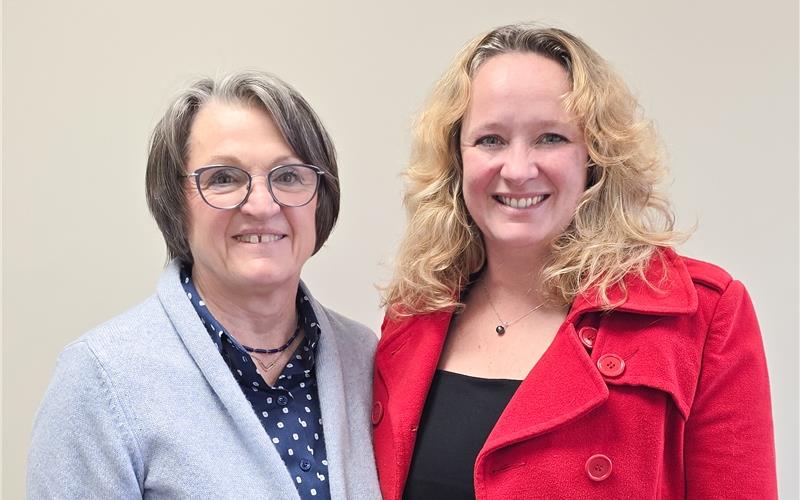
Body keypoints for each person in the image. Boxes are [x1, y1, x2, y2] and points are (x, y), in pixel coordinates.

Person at [373, 24, 777, 499]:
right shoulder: (413, 313)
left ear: (595, 156)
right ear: (455, 159)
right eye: (490, 140)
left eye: (550, 137)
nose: (519, 169)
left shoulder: (703, 316)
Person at [28, 71, 381, 499]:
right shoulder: (101, 380)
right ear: (175, 202)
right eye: (224, 178)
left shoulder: (364, 359)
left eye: (288, 176)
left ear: (320, 198)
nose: (263, 205)